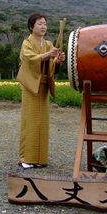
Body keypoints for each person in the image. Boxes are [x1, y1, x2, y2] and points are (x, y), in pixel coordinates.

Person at [17, 13, 65, 169]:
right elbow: (29, 59)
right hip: (31, 86)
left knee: (42, 123)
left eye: (45, 23)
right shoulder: (27, 43)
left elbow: (52, 65)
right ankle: (26, 158)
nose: (43, 26)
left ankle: (40, 159)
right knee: (30, 122)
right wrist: (48, 55)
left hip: (43, 86)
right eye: (39, 24)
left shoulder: (48, 44)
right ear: (31, 27)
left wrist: (58, 60)